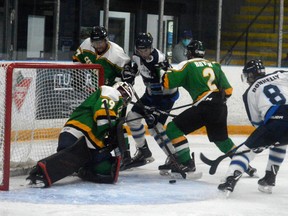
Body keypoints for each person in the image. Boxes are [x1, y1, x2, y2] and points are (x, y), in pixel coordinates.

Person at [159, 40, 257, 176]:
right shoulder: (214, 65)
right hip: (220, 107)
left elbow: (167, 83)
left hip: (204, 107)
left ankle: (187, 163)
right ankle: (246, 166)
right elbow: (228, 91)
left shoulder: (187, 64)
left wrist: (165, 70)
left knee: (173, 129)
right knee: (222, 141)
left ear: (190, 53)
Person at [26, 82, 134, 187]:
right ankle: (41, 173)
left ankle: (82, 168)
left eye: (126, 96)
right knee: (71, 156)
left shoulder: (116, 112)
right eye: (122, 91)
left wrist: (121, 151)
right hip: (79, 132)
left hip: (90, 142)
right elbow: (102, 117)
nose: (122, 96)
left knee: (109, 172)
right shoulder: (110, 91)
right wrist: (110, 132)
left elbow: (114, 129)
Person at [218, 59, 288, 195]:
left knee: (245, 150)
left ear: (250, 75)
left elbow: (257, 123)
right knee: (280, 143)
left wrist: (262, 140)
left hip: (277, 121)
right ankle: (269, 178)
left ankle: (230, 180)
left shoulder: (250, 92)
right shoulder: (280, 74)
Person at [72, 26, 133, 163]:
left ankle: (124, 154)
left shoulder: (117, 54)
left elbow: (128, 78)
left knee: (116, 124)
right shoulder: (87, 44)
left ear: (106, 40)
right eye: (95, 43)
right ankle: (98, 150)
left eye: (100, 42)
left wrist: (119, 94)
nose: (97, 46)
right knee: (96, 121)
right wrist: (78, 78)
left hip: (114, 94)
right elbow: (77, 58)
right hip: (98, 92)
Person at [121, 33, 180, 170]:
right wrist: (129, 76)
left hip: (166, 96)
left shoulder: (158, 60)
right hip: (150, 94)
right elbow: (134, 71)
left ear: (151, 47)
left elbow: (159, 87)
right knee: (132, 118)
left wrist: (154, 109)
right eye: (140, 50)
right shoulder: (136, 56)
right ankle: (144, 151)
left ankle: (174, 157)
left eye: (145, 50)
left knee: (155, 127)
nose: (143, 53)